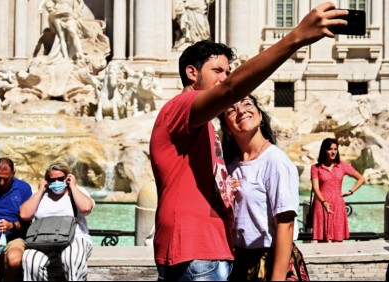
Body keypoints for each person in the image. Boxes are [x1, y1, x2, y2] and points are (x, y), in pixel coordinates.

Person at [149, 2, 350, 281]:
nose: (226, 78)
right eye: (218, 70)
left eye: (228, 71)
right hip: (195, 251)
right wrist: (296, 38)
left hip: (209, 251)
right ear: (192, 73)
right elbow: (232, 89)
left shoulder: (203, 127)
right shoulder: (182, 106)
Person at [218, 95, 305, 281]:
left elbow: (286, 224)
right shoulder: (230, 167)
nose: (241, 110)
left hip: (272, 262)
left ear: (259, 115)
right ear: (226, 128)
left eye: (247, 104)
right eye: (231, 110)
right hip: (241, 263)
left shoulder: (275, 161)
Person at [20, 163, 95, 281]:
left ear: (67, 178)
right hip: (43, 240)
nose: (56, 182)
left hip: (74, 238)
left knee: (71, 258)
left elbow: (86, 209)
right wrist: (40, 191)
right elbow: (24, 215)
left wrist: (73, 187)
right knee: (30, 260)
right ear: (47, 180)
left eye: (60, 179)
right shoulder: (40, 194)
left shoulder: (78, 191)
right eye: (52, 180)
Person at [310, 137, 365, 242]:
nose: (333, 152)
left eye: (335, 149)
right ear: (324, 150)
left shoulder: (342, 165)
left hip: (338, 204)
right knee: (322, 240)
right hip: (321, 205)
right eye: (330, 149)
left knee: (338, 239)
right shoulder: (315, 168)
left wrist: (351, 191)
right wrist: (324, 202)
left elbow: (361, 178)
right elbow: (316, 188)